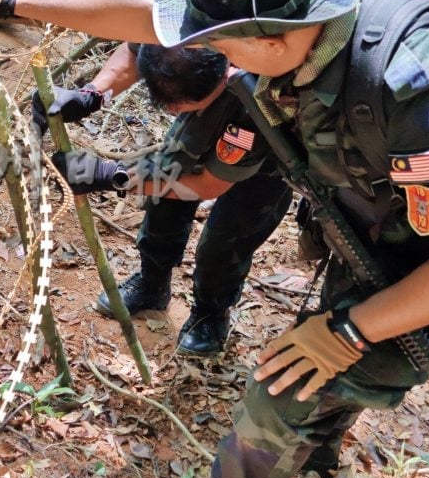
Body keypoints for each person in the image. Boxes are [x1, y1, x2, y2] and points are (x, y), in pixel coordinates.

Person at [0, 0, 429, 478]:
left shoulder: (423, 96)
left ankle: (230, 390)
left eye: (219, 47)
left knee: (274, 360)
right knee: (315, 376)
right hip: (360, 220)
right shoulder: (286, 26)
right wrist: (17, 3)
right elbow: (139, 21)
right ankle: (313, 445)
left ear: (266, 45)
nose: (209, 54)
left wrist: (352, 329)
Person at [44, 43, 292, 355]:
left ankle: (210, 312)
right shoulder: (180, 29)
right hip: (203, 123)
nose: (171, 110)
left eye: (180, 103)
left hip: (268, 154)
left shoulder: (256, 102)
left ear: (223, 75)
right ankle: (153, 284)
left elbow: (207, 185)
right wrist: (92, 94)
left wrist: (111, 176)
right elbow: (133, 51)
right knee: (164, 202)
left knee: (228, 238)